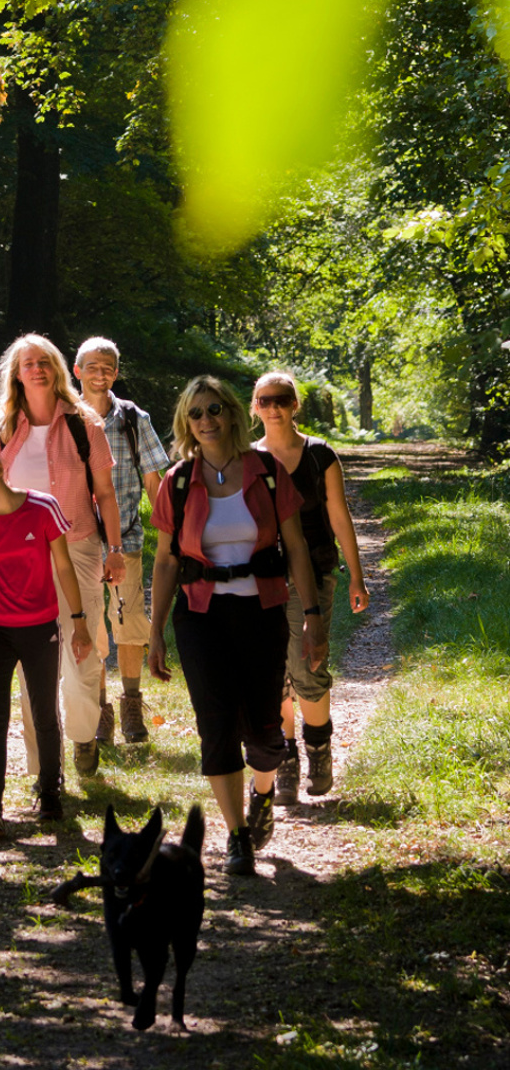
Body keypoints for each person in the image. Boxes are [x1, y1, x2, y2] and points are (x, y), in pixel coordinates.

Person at [147, 375, 324, 876]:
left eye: (215, 410)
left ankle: (262, 790)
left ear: (231, 413)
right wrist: (156, 629)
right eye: (196, 413)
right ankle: (237, 836)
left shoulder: (266, 471)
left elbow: (296, 549)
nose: (207, 420)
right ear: (187, 422)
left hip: (262, 613)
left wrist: (312, 616)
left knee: (266, 732)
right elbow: (164, 561)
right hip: (201, 616)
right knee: (216, 725)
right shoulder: (178, 481)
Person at [0, 334, 125, 779]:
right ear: (16, 373)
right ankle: (44, 765)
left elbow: (105, 493)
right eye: (28, 362)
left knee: (83, 649)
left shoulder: (85, 424)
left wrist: (116, 549)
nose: (37, 369)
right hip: (18, 558)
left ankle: (83, 737)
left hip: (79, 546)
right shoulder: (1, 429)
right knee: (32, 661)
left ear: (58, 369)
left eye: (45, 361)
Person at [0, 443, 93, 834]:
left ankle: (50, 793)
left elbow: (64, 566)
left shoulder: (42, 508)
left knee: (44, 712)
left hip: (40, 627)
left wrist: (79, 621)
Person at [250, 369, 370, 801]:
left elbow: (339, 516)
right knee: (273, 671)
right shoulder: (248, 459)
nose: (275, 407)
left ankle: (318, 747)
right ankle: (286, 757)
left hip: (314, 570)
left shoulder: (320, 455)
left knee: (306, 664)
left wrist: (356, 575)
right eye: (265, 400)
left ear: (295, 404)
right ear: (255, 407)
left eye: (282, 399)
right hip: (262, 575)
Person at [73, 337, 170, 743]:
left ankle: (132, 706)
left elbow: (153, 480)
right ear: (77, 371)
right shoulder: (64, 418)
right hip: (78, 541)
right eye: (92, 366)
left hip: (126, 537)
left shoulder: (133, 419)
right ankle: (100, 712)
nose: (100, 374)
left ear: (116, 372)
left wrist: (171, 534)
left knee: (129, 624)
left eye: (108, 367)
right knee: (93, 628)